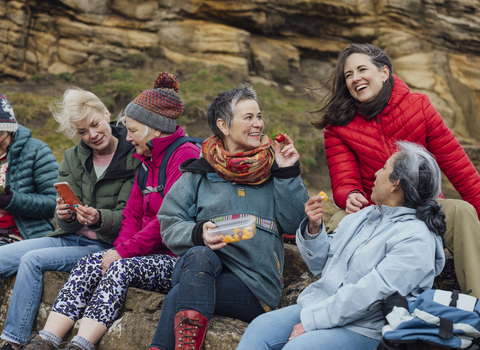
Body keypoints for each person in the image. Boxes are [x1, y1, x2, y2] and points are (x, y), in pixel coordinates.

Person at [19, 72, 202, 350]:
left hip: (175, 257)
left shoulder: (183, 155)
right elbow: (132, 215)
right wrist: (117, 249)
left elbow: (167, 219)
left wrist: (123, 253)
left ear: (154, 128)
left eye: (132, 130)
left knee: (119, 269)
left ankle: (81, 344)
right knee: (89, 264)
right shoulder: (147, 160)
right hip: (145, 253)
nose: (127, 137)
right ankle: (46, 340)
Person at [237, 141, 446, 350]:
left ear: (395, 184)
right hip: (320, 304)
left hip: (367, 328)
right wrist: (314, 228)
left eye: (383, 169)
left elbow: (369, 294)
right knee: (259, 329)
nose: (375, 173)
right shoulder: (367, 215)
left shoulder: (417, 239)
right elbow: (321, 264)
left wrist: (313, 322)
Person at [148, 84, 309, 350]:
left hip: (254, 285)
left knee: (181, 293)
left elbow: (294, 223)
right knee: (200, 256)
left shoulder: (274, 168)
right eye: (249, 117)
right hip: (200, 269)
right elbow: (169, 221)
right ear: (224, 125)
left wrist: (288, 172)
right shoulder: (199, 172)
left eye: (259, 116)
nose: (258, 124)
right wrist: (199, 233)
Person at [313, 43, 480, 297]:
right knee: (338, 223)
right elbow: (344, 179)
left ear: (384, 72)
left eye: (361, 69)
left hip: (425, 206)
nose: (355, 78)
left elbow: (459, 168)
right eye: (348, 75)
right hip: (377, 210)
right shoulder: (338, 126)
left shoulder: (419, 107)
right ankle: (335, 298)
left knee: (463, 212)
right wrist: (350, 194)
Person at [0, 88, 140, 350]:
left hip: (104, 246)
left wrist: (98, 218)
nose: (92, 135)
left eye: (95, 125)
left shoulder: (134, 157)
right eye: (82, 132)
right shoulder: (72, 157)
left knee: (32, 260)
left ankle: (12, 342)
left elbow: (130, 217)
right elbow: (63, 219)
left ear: (106, 113)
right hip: (69, 238)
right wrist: (64, 215)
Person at [0, 93, 58, 246]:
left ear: (10, 129)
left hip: (23, 235)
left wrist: (13, 200)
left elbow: (54, 203)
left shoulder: (37, 151)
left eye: (0, 136)